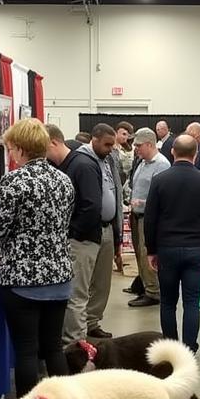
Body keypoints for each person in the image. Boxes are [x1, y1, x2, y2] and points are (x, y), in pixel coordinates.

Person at [0, 118, 74, 396]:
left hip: (22, 281)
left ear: (22, 149)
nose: (11, 156)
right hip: (59, 276)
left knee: (26, 350)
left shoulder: (14, 181)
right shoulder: (64, 180)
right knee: (53, 347)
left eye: (11, 149)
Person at [143, 135, 200, 353]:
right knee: (192, 302)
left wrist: (151, 250)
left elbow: (150, 219)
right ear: (196, 155)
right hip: (196, 249)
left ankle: (171, 349)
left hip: (167, 248)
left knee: (167, 302)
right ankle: (189, 349)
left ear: (173, 152)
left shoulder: (160, 180)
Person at [45, 124, 102, 345]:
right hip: (73, 240)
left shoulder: (82, 166)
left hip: (82, 241)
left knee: (75, 297)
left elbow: (92, 206)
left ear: (53, 142)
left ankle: (76, 349)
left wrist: (71, 233)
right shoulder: (63, 166)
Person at [74, 123, 124, 339]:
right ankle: (78, 330)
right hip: (87, 232)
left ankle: (93, 322)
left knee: (102, 282)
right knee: (81, 283)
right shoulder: (80, 161)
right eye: (107, 144)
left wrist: (118, 230)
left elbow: (116, 191)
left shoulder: (109, 158)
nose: (111, 148)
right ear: (93, 139)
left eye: (112, 144)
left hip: (107, 228)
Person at [127, 127, 170, 307]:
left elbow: (162, 196)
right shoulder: (142, 162)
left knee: (147, 254)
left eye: (138, 145)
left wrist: (142, 203)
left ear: (149, 144)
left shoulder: (162, 165)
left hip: (149, 217)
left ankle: (154, 292)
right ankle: (145, 286)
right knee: (139, 253)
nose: (135, 148)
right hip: (137, 215)